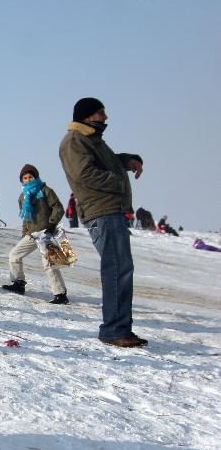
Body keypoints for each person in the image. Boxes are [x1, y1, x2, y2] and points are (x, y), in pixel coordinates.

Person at [59, 97, 147, 348]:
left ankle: (119, 328)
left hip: (111, 211)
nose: (105, 117)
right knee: (117, 269)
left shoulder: (92, 140)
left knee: (121, 269)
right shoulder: (74, 141)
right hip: (102, 212)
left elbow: (105, 163)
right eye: (100, 113)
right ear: (87, 116)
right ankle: (113, 330)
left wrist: (126, 160)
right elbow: (84, 173)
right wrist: (119, 180)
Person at [1, 164, 69, 304]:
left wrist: (51, 224)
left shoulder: (45, 190)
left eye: (30, 177)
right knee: (14, 255)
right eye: (25, 178)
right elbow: (26, 217)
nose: (28, 180)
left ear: (36, 177)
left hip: (47, 232)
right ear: (22, 180)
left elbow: (58, 208)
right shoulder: (22, 196)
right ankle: (18, 283)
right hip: (32, 234)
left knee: (49, 264)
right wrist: (25, 233)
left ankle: (60, 294)